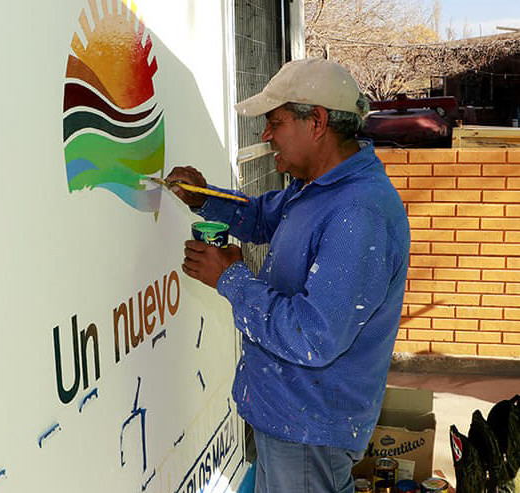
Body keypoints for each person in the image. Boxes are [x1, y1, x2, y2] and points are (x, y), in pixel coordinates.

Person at [166, 58, 410, 493]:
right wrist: (205, 199)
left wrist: (232, 278)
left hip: (308, 432)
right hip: (292, 421)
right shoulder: (317, 185)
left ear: (316, 122)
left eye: (274, 122)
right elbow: (263, 217)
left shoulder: (358, 214)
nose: (265, 136)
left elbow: (312, 335)